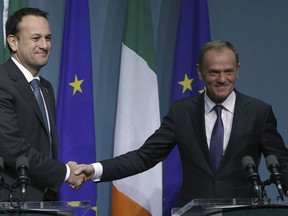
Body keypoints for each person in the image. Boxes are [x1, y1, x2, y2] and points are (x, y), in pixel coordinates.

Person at [74, 40, 288, 208]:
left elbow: (282, 163)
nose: (222, 79)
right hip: (193, 211)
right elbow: (145, 156)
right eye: (214, 72)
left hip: (243, 211)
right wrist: (95, 169)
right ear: (200, 72)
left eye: (228, 71)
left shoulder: (259, 112)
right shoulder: (182, 112)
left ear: (237, 70)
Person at [0, 8, 84, 202]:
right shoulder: (2, 82)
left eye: (48, 38)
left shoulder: (45, 88)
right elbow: (12, 148)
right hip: (11, 201)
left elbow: (44, 147)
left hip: (45, 202)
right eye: (36, 38)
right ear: (13, 42)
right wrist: (64, 172)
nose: (45, 45)